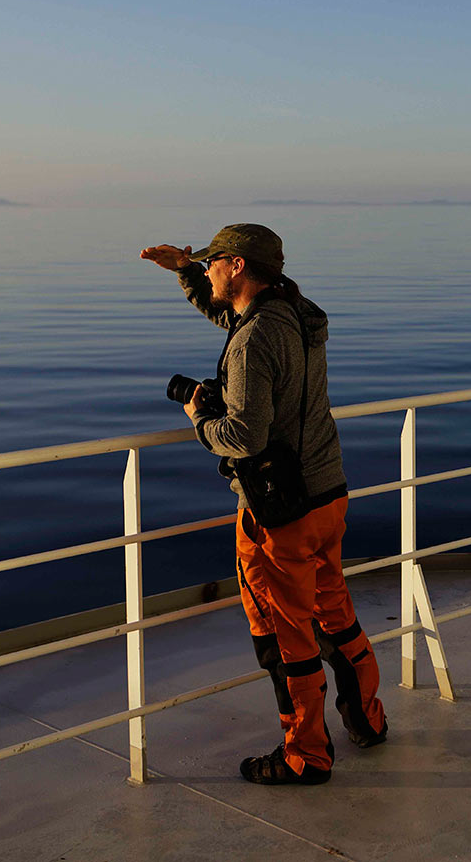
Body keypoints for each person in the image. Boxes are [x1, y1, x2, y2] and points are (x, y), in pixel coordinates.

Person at [140, 224, 387, 785]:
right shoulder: (297, 315)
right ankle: (367, 719)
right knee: (336, 616)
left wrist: (201, 421)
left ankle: (306, 754)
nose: (207, 271)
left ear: (237, 266)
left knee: (284, 634)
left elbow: (245, 436)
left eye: (211, 264)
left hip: (279, 513)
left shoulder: (253, 341)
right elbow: (236, 317)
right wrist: (184, 269)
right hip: (327, 496)